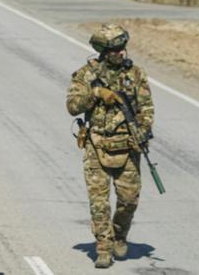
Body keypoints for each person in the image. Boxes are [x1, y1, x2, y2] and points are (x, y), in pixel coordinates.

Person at [66, 24, 154, 269]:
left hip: (127, 146)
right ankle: (103, 247)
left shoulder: (136, 74)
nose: (121, 53)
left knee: (129, 200)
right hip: (97, 145)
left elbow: (146, 108)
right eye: (115, 49)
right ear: (103, 50)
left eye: (123, 48)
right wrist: (96, 93)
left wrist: (142, 131)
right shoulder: (86, 75)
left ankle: (119, 234)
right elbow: (72, 106)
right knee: (99, 202)